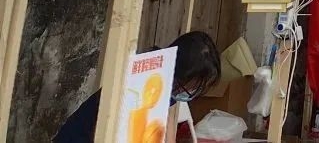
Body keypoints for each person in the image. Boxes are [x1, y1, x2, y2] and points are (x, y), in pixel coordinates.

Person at [55, 31, 222, 142]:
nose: (195, 91)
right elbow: (102, 130)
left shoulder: (171, 82)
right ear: (183, 72)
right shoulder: (142, 80)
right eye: (196, 85)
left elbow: (169, 114)